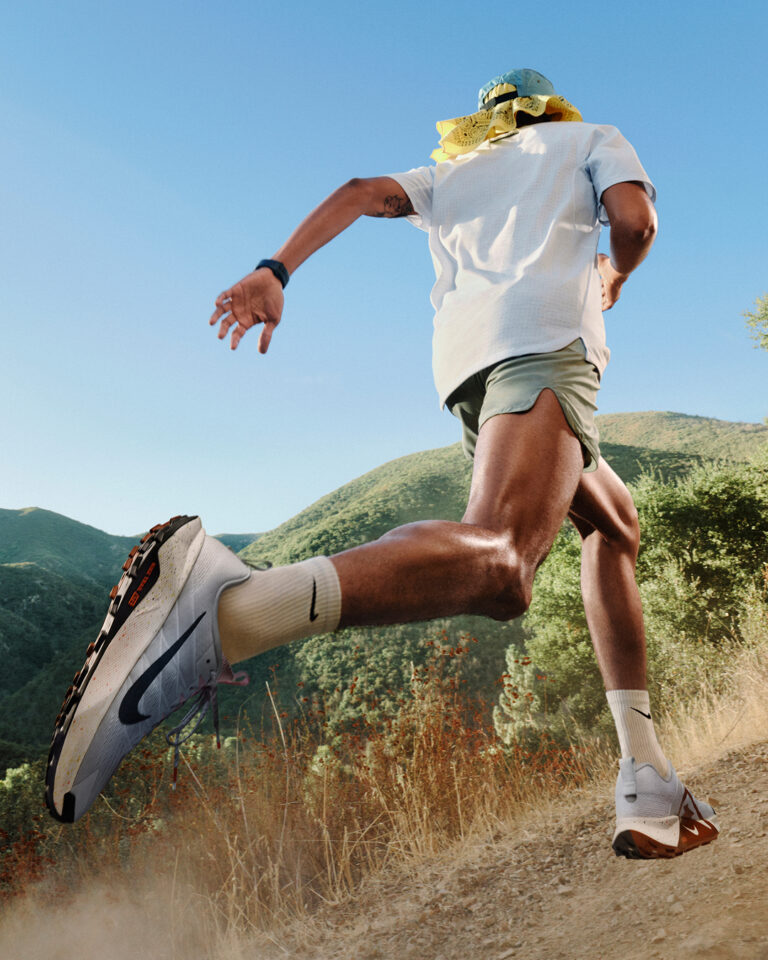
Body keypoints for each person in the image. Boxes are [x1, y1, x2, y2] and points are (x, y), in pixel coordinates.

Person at [46, 68, 718, 859]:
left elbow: (360, 192)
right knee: (504, 565)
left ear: (487, 120)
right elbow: (634, 221)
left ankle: (647, 774)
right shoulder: (590, 139)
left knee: (613, 523)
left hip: (468, 369)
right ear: (551, 110)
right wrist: (613, 272)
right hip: (546, 346)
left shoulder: (454, 172)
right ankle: (227, 615)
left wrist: (275, 270)